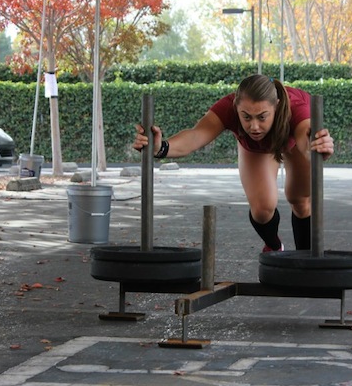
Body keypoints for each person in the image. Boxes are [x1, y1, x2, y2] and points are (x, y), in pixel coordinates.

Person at [133, 74, 334, 253]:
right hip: (256, 150)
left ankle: (306, 263)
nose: (254, 126)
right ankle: (274, 246)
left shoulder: (296, 107)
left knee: (300, 200)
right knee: (263, 209)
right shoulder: (228, 107)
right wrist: (160, 147)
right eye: (246, 117)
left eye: (262, 117)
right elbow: (196, 136)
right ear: (236, 108)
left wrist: (316, 148)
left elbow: (304, 139)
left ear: (277, 106)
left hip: (292, 142)